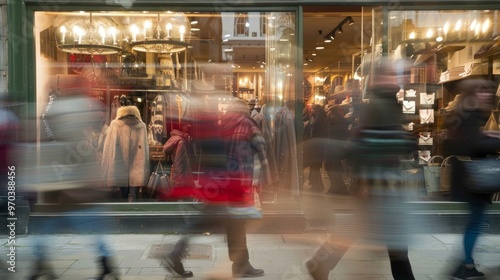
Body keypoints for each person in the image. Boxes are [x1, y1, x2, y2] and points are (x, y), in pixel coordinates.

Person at [307, 59, 417, 280]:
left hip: (380, 181)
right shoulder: (380, 104)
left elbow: (370, 140)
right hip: (377, 182)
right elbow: (369, 142)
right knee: (393, 243)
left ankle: (320, 263)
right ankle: (319, 263)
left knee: (367, 233)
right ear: (381, 78)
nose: (399, 78)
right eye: (394, 74)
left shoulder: (387, 101)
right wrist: (404, 142)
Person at [18, 75, 119, 280]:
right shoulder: (83, 107)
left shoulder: (54, 111)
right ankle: (106, 264)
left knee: (50, 226)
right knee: (90, 224)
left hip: (61, 182)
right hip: (75, 183)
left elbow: (46, 146)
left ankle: (40, 263)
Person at [445, 78, 500, 280]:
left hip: (468, 174)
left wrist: (489, 136)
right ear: (470, 93)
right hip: (473, 176)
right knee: (476, 221)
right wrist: (494, 140)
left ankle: (464, 264)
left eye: (488, 90)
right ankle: (465, 266)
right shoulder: (470, 115)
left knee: (475, 220)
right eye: (481, 90)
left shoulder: (464, 113)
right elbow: (471, 145)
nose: (486, 94)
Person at [101, 105, 149, 202]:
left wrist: (104, 169)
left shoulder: (115, 124)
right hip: (137, 167)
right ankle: (132, 206)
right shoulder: (141, 125)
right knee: (133, 192)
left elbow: (108, 148)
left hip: (117, 165)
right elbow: (145, 150)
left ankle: (121, 208)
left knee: (119, 193)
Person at [324, 104, 350, 195]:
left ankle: (338, 188)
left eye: (330, 112)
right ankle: (338, 187)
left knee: (335, 168)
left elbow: (344, 136)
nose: (329, 114)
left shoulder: (340, 123)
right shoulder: (329, 122)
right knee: (328, 167)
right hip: (330, 148)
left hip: (337, 149)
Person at [303, 104, 328, 192]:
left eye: (313, 109)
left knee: (314, 167)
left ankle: (318, 185)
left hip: (315, 148)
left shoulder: (318, 120)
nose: (311, 110)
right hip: (315, 148)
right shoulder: (316, 119)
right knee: (314, 167)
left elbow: (316, 133)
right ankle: (316, 184)